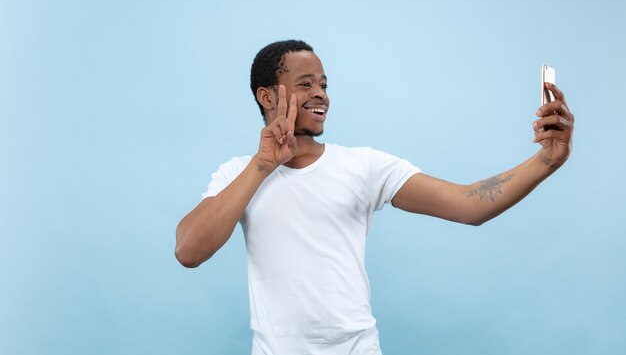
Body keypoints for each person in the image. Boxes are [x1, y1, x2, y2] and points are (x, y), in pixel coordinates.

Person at [175, 40, 574, 355]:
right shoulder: (237, 173)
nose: (321, 95)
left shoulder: (363, 166)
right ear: (267, 97)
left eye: (324, 84)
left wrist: (547, 161)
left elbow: (469, 203)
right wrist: (262, 165)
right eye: (305, 84)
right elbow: (189, 250)